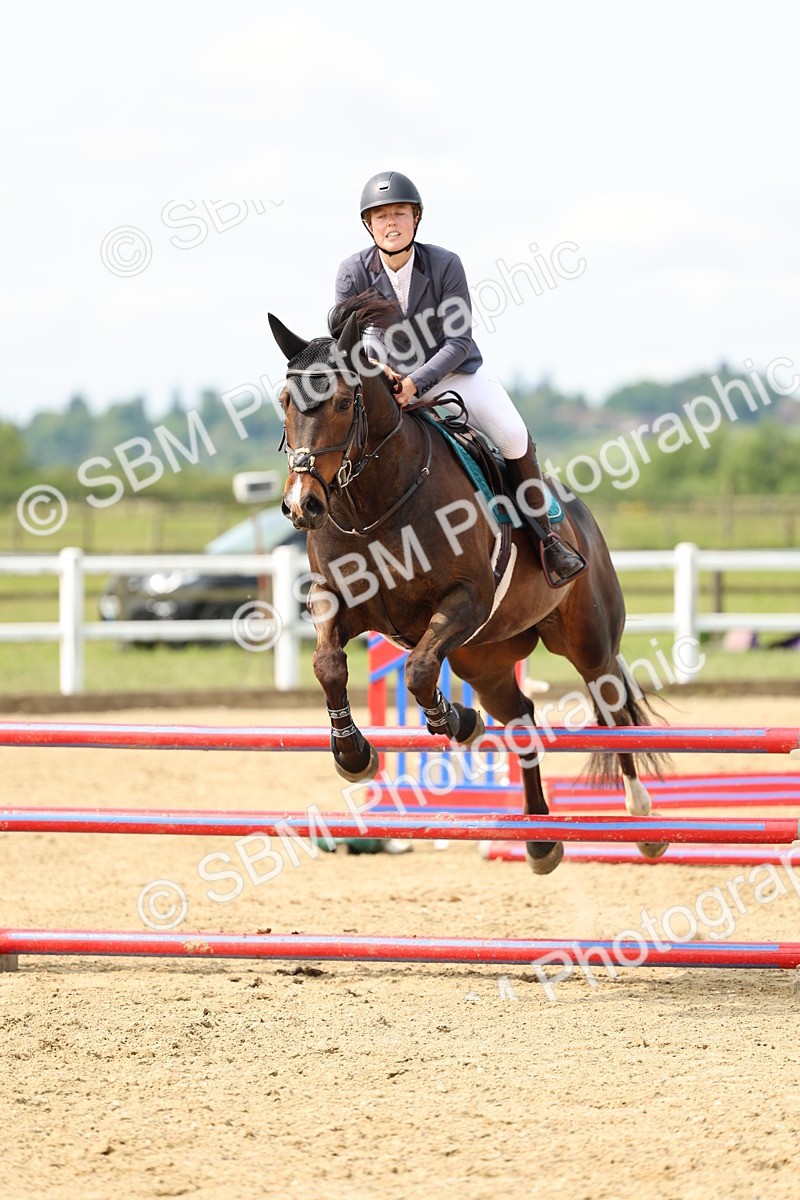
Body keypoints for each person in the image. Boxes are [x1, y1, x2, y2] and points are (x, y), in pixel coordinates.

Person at [335, 171, 588, 587]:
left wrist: (416, 382)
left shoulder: (445, 264)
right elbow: (349, 343)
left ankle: (547, 540)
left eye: (400, 213)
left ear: (416, 219)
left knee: (512, 435)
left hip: (453, 374)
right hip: (385, 382)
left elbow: (458, 340)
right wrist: (381, 373)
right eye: (381, 216)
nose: (391, 223)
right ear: (369, 224)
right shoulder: (353, 272)